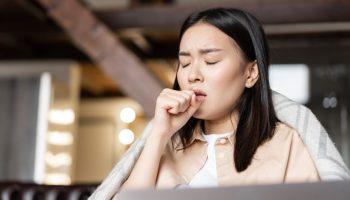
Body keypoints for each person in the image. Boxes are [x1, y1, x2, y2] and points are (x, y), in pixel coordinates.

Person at [119, 7, 320, 191]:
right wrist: (159, 134)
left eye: (210, 61)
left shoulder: (286, 143)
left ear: (250, 73)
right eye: (185, 63)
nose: (192, 75)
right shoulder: (166, 144)